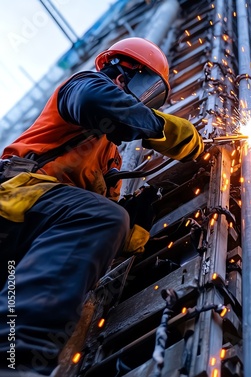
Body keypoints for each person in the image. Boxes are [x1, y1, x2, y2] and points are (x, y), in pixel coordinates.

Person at [0, 37, 204, 376]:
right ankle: (12, 360)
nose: (143, 99)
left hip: (27, 243)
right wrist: (166, 128)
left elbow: (88, 241)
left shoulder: (111, 157)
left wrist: (137, 225)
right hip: (12, 201)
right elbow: (102, 104)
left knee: (109, 217)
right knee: (101, 215)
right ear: (123, 70)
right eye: (145, 87)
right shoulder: (83, 86)